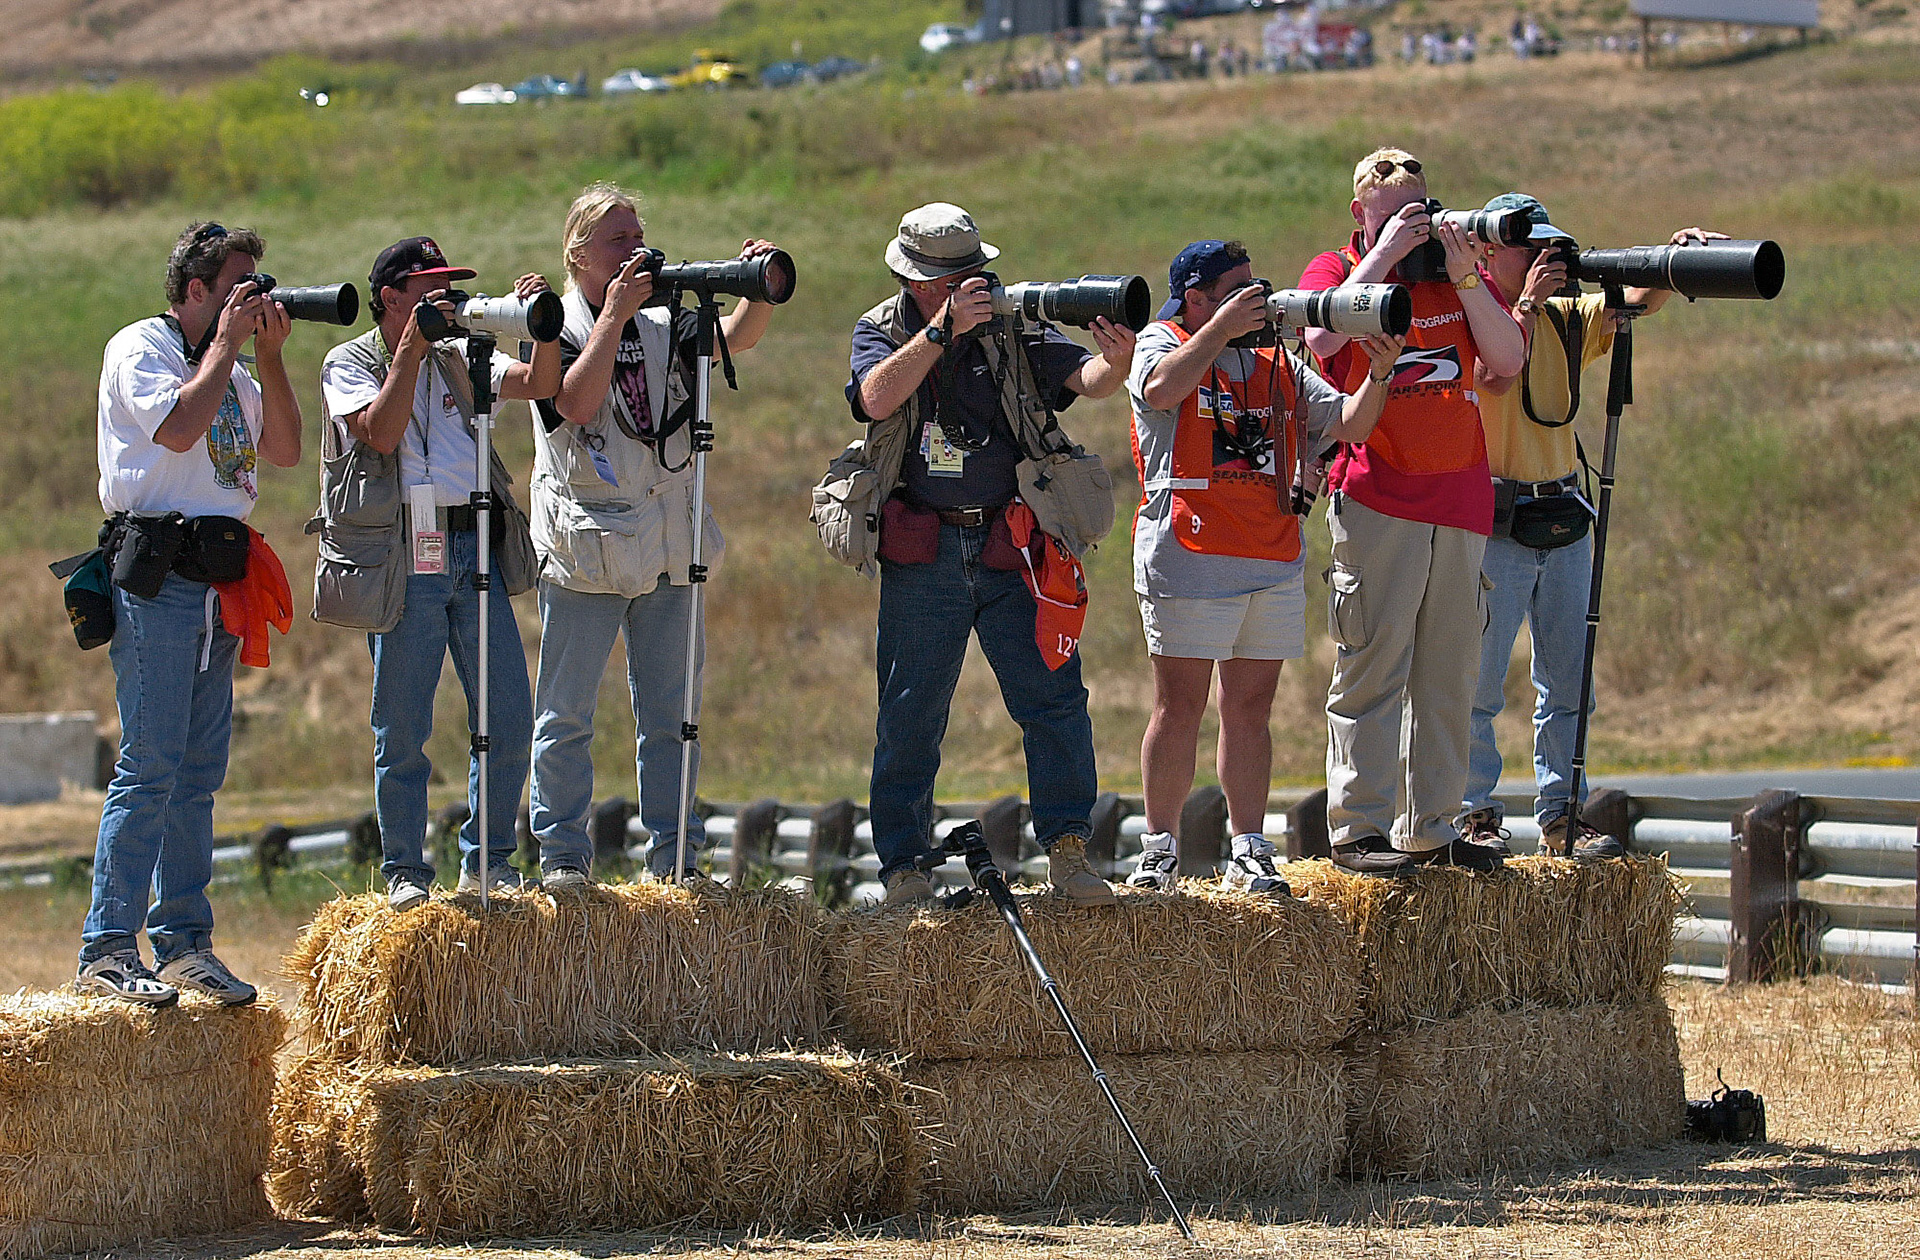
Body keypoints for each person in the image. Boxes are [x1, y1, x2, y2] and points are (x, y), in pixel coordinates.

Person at [845, 203, 1134, 905]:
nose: (977, 287)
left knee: (1054, 700)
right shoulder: (884, 328)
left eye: (977, 273)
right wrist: (942, 335)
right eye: (956, 280)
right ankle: (906, 867)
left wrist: (1117, 362)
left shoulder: (1011, 322)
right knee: (910, 712)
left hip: (1012, 544)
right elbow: (876, 400)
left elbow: (1085, 382)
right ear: (918, 284)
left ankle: (1068, 852)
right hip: (925, 548)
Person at [1123, 241, 1403, 895]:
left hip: (1269, 559)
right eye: (1238, 289)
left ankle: (1249, 845)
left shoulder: (1278, 359)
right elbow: (1162, 390)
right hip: (1188, 558)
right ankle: (1159, 848)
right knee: (1180, 708)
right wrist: (1222, 328)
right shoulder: (1159, 342)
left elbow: (1350, 424)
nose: (1258, 298)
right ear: (1197, 298)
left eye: (1258, 288)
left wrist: (1381, 374)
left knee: (1250, 709)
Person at [527, 182, 782, 885]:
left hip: (670, 542)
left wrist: (755, 290)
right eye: (617, 240)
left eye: (638, 234)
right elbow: (574, 402)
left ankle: (675, 859)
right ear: (579, 255)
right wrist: (614, 315)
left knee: (673, 716)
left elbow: (738, 338)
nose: (634, 249)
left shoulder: (667, 318)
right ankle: (564, 859)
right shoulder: (551, 325)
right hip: (589, 549)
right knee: (567, 717)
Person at [78, 221, 302, 1005]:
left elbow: (282, 450)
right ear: (196, 290)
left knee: (200, 773)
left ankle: (183, 943)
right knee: (149, 764)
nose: (255, 301)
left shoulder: (234, 365)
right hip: (160, 575)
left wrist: (265, 357)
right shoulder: (141, 346)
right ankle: (107, 947)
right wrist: (228, 350)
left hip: (217, 581)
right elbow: (176, 428)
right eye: (240, 288)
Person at [1462, 195, 1725, 859]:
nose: (1548, 259)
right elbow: (1494, 377)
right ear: (1494, 253)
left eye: (1554, 247)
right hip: (1496, 521)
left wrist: (1675, 256)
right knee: (1478, 686)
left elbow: (1635, 301)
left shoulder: (1568, 318)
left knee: (1570, 683)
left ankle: (1562, 813)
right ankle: (1474, 813)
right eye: (1532, 247)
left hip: (1561, 518)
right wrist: (1521, 305)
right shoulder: (1474, 319)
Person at [1298, 148, 1526, 876]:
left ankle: (1433, 825)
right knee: (1372, 668)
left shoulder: (1456, 277)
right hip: (1377, 496)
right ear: (1359, 212)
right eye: (1392, 209)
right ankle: (1358, 828)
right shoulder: (1334, 271)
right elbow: (1321, 339)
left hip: (1459, 502)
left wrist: (1465, 274)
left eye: (1419, 207)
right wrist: (1387, 251)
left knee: (1450, 674)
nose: (1412, 221)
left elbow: (1507, 359)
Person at [317, 237, 561, 909]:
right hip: (403, 553)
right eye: (429, 286)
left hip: (469, 543)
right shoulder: (351, 361)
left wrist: (540, 320)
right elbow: (382, 432)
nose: (443, 299)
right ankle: (404, 869)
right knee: (403, 726)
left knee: (508, 713)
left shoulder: (462, 357)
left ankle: (489, 859)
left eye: (447, 287)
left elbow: (543, 385)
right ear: (390, 296)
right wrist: (411, 351)